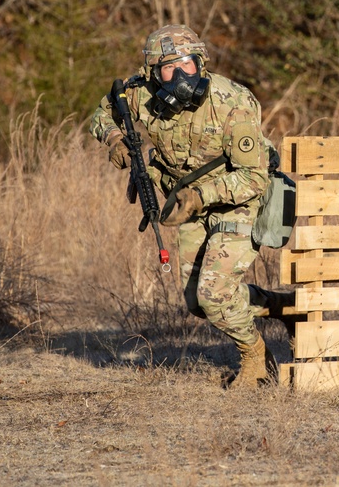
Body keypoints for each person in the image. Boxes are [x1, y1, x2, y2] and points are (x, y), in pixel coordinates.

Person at [90, 24, 286, 388]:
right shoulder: (139, 94)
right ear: (153, 74)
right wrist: (116, 139)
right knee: (197, 301)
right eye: (169, 68)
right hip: (190, 202)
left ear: (202, 63)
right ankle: (281, 306)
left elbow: (254, 178)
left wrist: (200, 196)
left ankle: (256, 358)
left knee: (214, 295)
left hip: (239, 200)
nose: (181, 75)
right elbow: (101, 116)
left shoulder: (232, 102)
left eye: (188, 65)